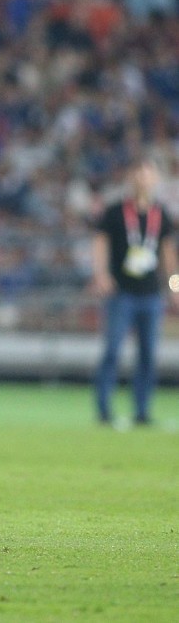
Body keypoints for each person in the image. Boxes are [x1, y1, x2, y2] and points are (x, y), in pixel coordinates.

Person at [91, 157, 179, 427]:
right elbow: (100, 244)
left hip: (151, 294)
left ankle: (142, 411)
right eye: (139, 171)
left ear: (155, 179)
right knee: (113, 351)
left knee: (148, 354)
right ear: (131, 176)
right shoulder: (116, 211)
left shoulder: (161, 213)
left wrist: (175, 287)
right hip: (122, 292)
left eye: (148, 172)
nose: (143, 177)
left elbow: (168, 254)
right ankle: (104, 410)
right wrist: (101, 274)